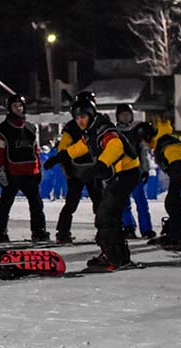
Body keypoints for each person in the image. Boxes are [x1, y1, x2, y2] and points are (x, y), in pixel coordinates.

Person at [58, 97, 141, 270]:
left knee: (105, 215)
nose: (80, 121)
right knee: (110, 215)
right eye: (77, 118)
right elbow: (82, 146)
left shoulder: (103, 129)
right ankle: (118, 257)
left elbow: (115, 146)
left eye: (83, 117)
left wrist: (101, 164)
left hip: (125, 174)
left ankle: (113, 258)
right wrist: (63, 155)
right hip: (121, 175)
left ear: (91, 115)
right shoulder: (92, 131)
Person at [43, 91, 103, 244]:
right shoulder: (73, 127)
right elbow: (64, 148)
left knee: (93, 202)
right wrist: (64, 165)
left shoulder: (96, 124)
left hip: (89, 168)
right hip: (80, 169)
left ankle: (65, 232)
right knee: (83, 202)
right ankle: (64, 232)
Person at [0, 94, 49, 242]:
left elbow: (35, 150)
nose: (18, 108)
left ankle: (39, 231)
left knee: (37, 204)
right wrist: (1, 171)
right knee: (5, 203)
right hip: (12, 173)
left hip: (30, 173)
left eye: (20, 105)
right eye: (15, 106)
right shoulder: (3, 130)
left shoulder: (30, 128)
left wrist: (39, 169)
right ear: (9, 108)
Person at [146, 125, 181, 250]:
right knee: (175, 203)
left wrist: (176, 183)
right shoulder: (163, 141)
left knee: (173, 203)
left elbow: (178, 162)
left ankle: (179, 238)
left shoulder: (166, 143)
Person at [115, 103, 154, 240]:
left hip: (136, 171)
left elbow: (143, 152)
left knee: (141, 201)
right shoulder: (115, 133)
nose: (125, 118)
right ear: (118, 117)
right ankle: (128, 226)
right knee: (124, 202)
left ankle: (147, 228)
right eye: (122, 115)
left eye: (128, 115)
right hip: (121, 172)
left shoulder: (136, 133)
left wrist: (145, 170)